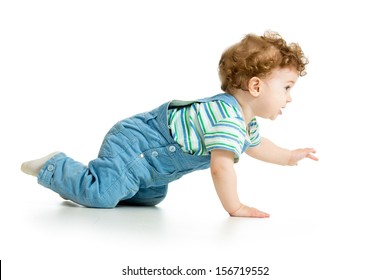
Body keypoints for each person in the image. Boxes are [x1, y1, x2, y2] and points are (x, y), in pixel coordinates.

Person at [21, 31, 318, 218]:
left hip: (153, 169)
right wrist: (235, 207)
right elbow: (221, 167)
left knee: (151, 197)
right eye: (287, 88)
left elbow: (256, 145)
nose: (290, 98)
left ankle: (81, 184)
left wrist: (288, 156)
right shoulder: (226, 118)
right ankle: (57, 167)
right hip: (136, 146)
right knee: (103, 196)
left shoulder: (245, 122)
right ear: (255, 86)